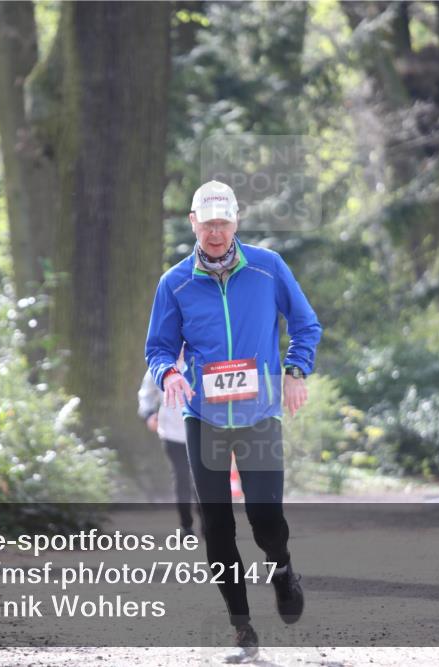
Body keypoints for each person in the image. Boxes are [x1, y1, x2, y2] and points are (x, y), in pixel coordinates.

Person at [145, 180, 322, 662]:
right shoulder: (175, 283)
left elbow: (305, 323)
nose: (217, 232)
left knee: (266, 519)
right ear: (193, 224)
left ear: (237, 221)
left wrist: (295, 369)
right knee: (217, 527)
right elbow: (158, 348)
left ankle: (282, 569)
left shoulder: (268, 268)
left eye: (224, 222)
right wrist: (169, 375)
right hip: (203, 419)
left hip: (259, 415)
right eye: (209, 223)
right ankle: (242, 629)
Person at [137, 351, 200, 536]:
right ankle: (186, 525)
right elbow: (146, 394)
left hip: (201, 430)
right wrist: (149, 415)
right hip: (171, 432)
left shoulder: (200, 360)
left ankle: (209, 523)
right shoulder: (161, 366)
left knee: (202, 479)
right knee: (181, 477)